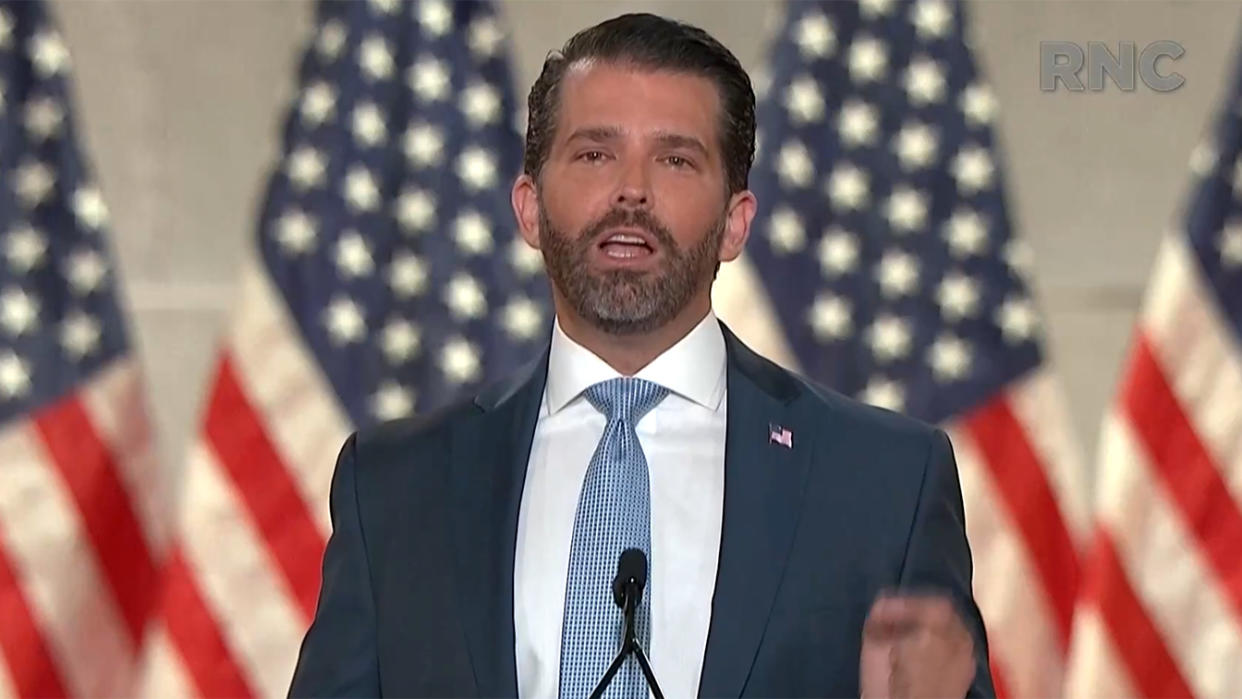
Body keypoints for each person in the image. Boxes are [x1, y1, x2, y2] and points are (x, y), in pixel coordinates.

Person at [289, 12, 994, 699]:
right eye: (595, 153)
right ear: (529, 208)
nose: (632, 190)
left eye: (676, 159)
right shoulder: (395, 489)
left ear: (735, 223)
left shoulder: (884, 484)